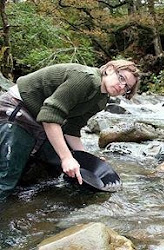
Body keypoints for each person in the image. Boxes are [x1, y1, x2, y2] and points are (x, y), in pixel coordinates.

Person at [0, 60, 140, 201]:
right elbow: (50, 116)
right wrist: (66, 158)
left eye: (126, 88)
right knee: (6, 179)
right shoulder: (86, 79)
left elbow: (71, 129)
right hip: (17, 108)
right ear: (110, 69)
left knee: (55, 167)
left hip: (39, 118)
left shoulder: (101, 100)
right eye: (121, 78)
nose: (121, 86)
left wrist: (87, 160)